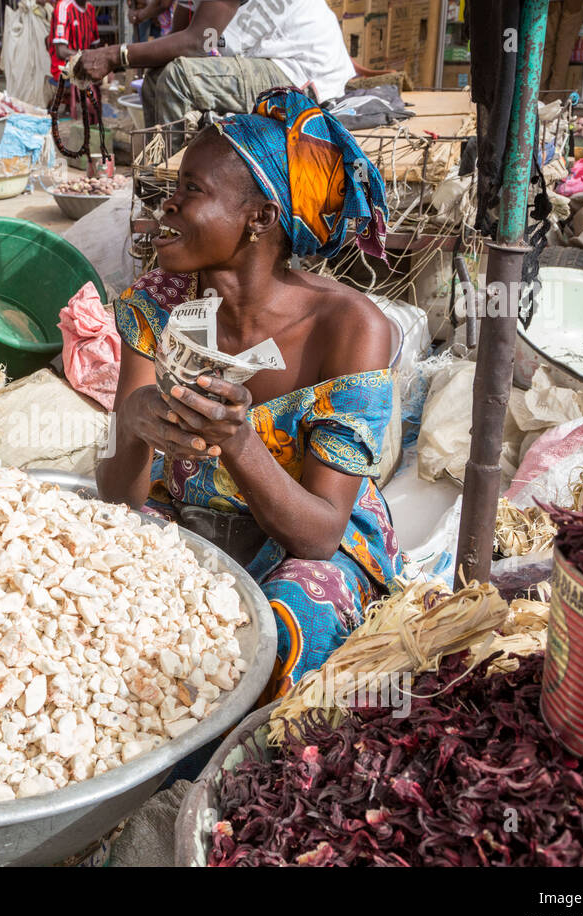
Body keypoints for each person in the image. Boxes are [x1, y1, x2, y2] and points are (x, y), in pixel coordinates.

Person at [97, 87, 400, 701]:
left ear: (259, 218)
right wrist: (131, 425)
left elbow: (317, 534)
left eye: (191, 191)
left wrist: (237, 440)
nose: (169, 206)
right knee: (99, 592)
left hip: (304, 539)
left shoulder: (347, 328)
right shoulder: (156, 303)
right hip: (189, 521)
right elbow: (119, 498)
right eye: (173, 188)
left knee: (278, 634)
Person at [76, 0, 355, 127]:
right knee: (157, 77)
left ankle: (178, 186)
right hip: (267, 59)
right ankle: (157, 182)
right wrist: (119, 58)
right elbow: (182, 41)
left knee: (178, 78)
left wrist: (117, 56)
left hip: (302, 68)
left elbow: (198, 42)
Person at [48, 0, 101, 81]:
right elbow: (61, 52)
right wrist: (87, 59)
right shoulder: (64, 7)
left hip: (84, 67)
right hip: (64, 70)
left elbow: (95, 46)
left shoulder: (90, 9)